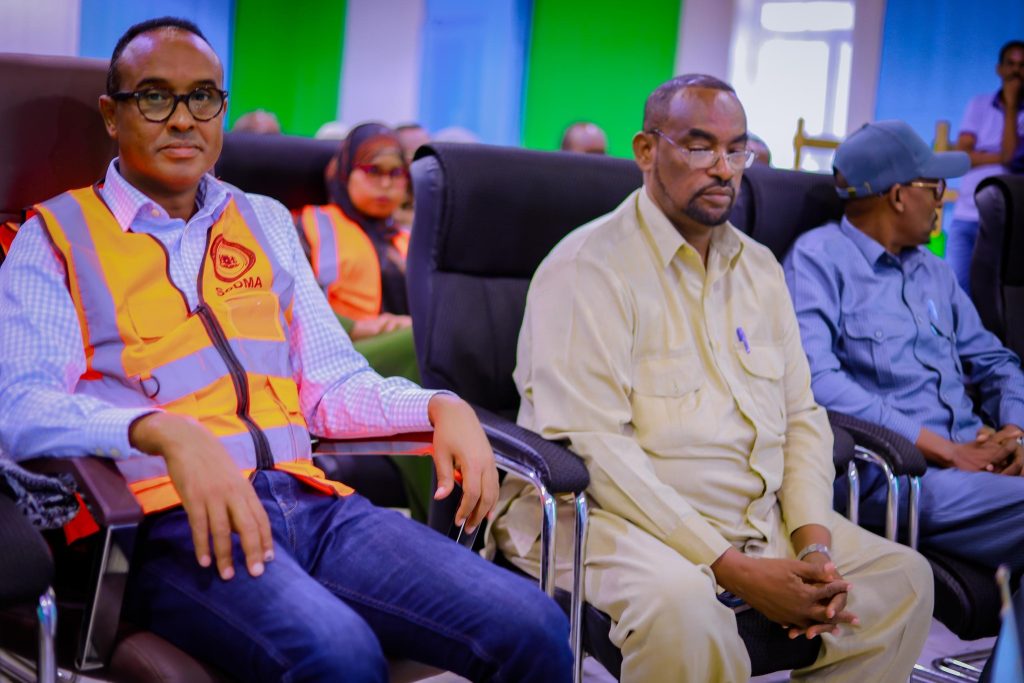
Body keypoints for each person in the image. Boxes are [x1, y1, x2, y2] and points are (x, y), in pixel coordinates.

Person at [0, 17, 571, 682]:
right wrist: (159, 432)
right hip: (172, 523)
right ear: (111, 114)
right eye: (155, 97)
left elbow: (331, 382)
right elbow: (20, 405)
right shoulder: (56, 236)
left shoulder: (264, 219)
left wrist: (439, 405)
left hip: (313, 503)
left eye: (203, 97)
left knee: (533, 625)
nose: (182, 119)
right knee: (340, 656)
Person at [489, 73, 932, 682]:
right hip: (615, 521)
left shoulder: (759, 268)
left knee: (899, 580)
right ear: (647, 150)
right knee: (686, 614)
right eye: (700, 148)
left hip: (754, 518)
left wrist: (815, 550)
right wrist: (732, 568)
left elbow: (802, 418)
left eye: (736, 150)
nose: (724, 169)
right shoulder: (588, 269)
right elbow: (596, 449)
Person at [785, 119, 1024, 573]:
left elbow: (995, 362)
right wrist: (945, 449)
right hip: (901, 476)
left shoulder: (934, 271)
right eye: (935, 187)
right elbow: (817, 381)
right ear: (898, 195)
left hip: (974, 460)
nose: (940, 200)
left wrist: (1015, 431)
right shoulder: (818, 260)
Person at [297, 123, 412, 322]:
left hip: (403, 337)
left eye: (395, 173)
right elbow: (290, 301)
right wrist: (357, 329)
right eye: (373, 170)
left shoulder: (409, 237)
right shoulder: (310, 224)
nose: (385, 184)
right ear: (346, 172)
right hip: (330, 336)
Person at [948, 40, 1024, 294]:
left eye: (1022, 65)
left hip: (1004, 221)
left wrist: (1011, 107)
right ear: (999, 69)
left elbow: (1010, 156)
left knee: (991, 295)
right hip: (965, 214)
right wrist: (998, 156)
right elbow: (963, 155)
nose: (1016, 71)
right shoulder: (978, 104)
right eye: (1010, 64)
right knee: (958, 289)